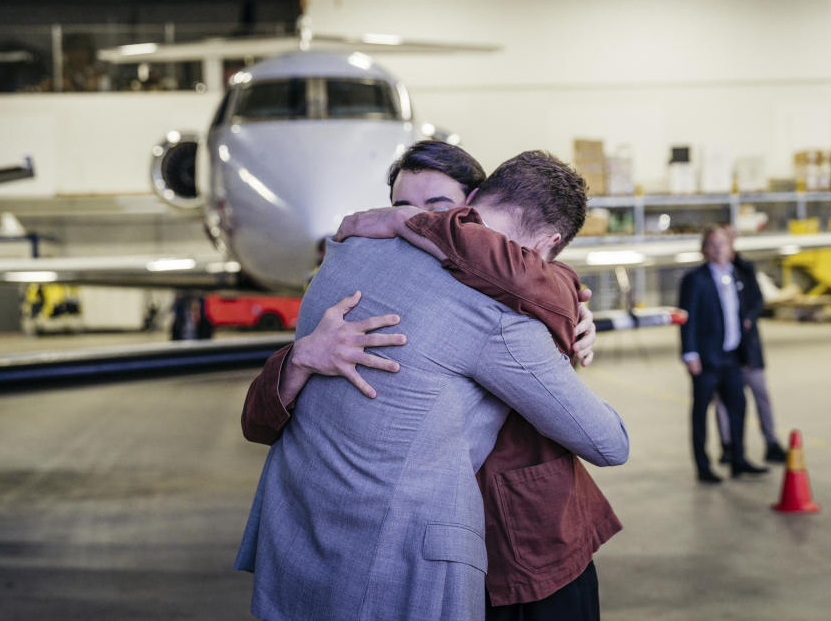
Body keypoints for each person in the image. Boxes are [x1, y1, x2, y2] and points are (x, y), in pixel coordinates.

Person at [235, 150, 629, 621]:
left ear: (470, 205)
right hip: (410, 548)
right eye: (401, 206)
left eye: (437, 210)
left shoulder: (351, 254)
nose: (415, 219)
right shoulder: (491, 309)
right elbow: (259, 420)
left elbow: (527, 281)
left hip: (521, 542)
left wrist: (571, 319)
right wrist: (300, 358)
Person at [678, 226, 768, 484]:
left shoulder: (736, 275)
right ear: (705, 249)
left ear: (731, 249)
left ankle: (738, 460)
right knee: (701, 415)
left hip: (731, 357)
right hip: (706, 359)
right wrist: (689, 354)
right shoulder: (695, 279)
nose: (719, 249)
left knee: (738, 408)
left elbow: (750, 305)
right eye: (713, 244)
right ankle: (703, 467)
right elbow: (688, 320)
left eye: (724, 244)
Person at [713, 247, 787, 464]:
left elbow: (757, 300)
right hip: (725, 354)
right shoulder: (710, 275)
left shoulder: (745, 270)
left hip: (749, 350)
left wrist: (748, 318)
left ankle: (771, 443)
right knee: (723, 403)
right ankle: (729, 447)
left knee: (761, 395)